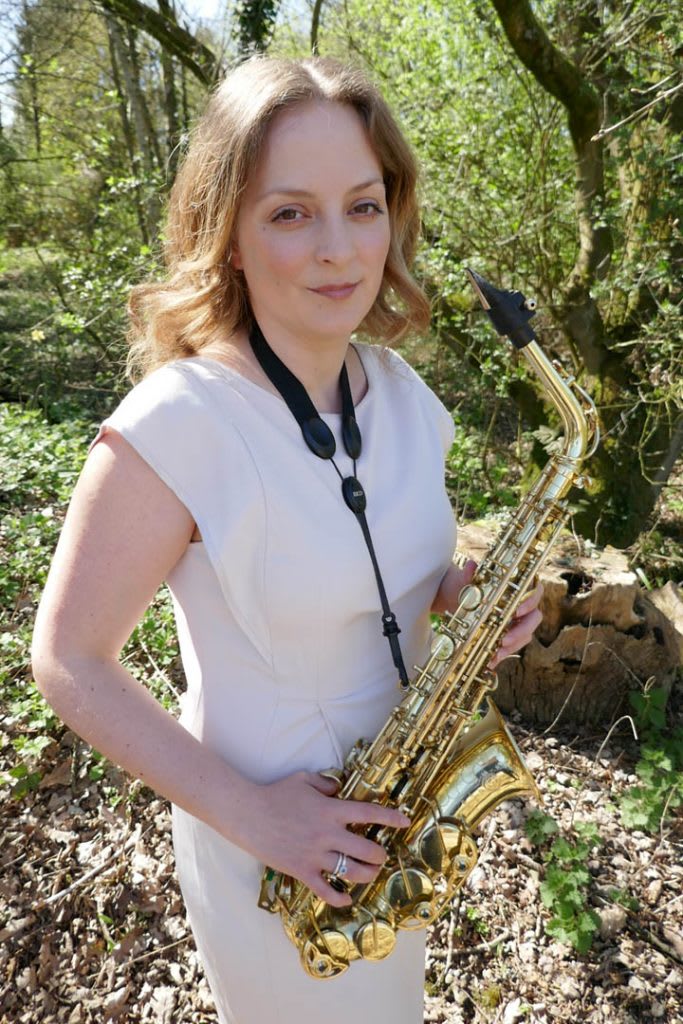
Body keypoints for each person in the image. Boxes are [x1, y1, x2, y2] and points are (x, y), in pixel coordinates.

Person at [31, 55, 543, 1024]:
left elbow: (389, 572)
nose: (338, 250)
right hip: (270, 859)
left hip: (390, 831)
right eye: (289, 213)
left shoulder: (404, 395)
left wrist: (461, 599)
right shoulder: (177, 421)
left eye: (362, 205)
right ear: (225, 232)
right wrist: (259, 818)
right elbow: (66, 659)